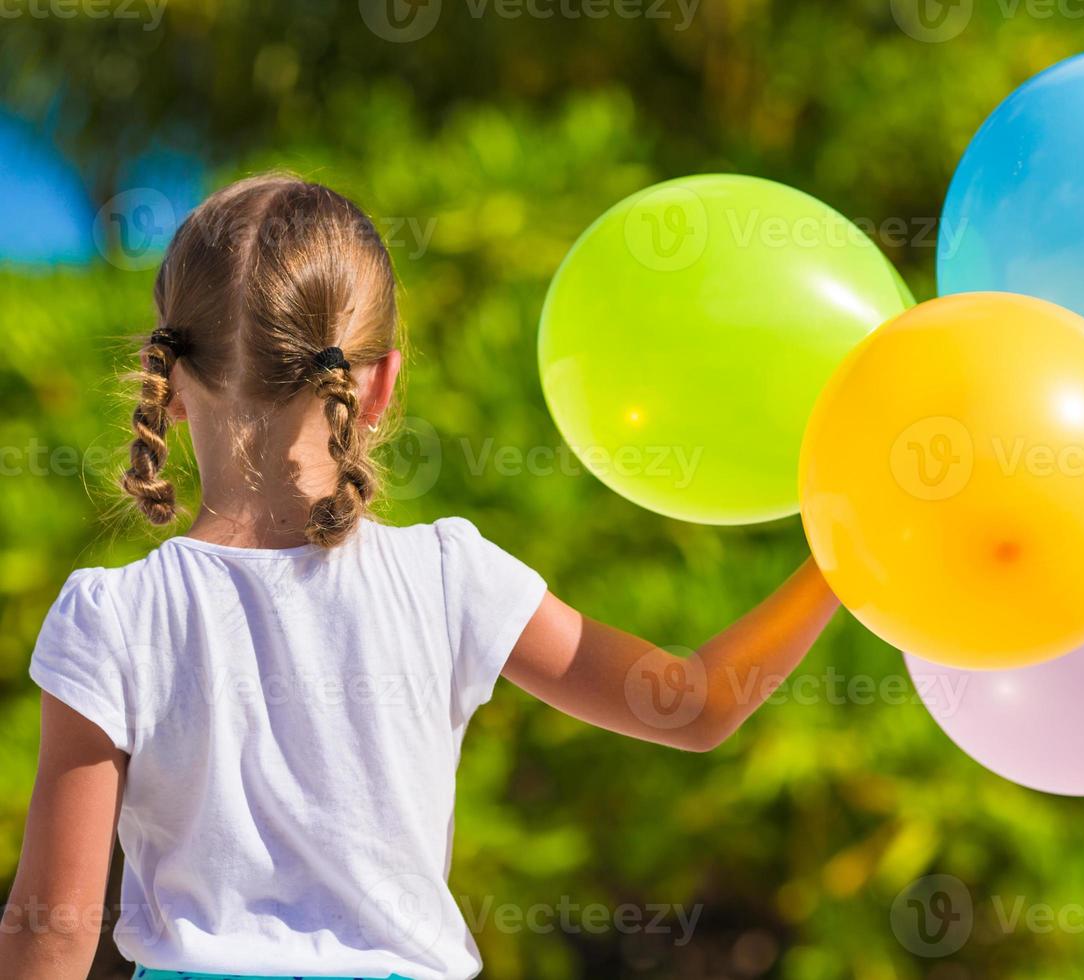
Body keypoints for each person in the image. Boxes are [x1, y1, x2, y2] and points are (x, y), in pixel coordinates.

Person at [0, 174, 838, 980]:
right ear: (379, 387)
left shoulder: (111, 616)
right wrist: (843, 553)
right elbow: (693, 704)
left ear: (168, 384)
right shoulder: (448, 577)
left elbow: (55, 933)